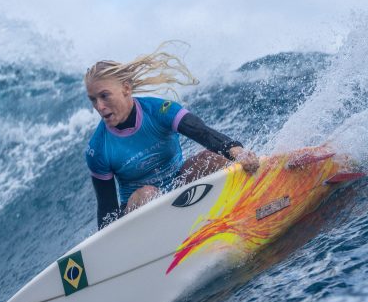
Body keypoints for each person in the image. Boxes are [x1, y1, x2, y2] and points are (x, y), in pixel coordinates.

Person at [84, 46, 260, 230]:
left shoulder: (159, 111)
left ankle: (253, 196)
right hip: (141, 214)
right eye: (93, 100)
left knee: (207, 159)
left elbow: (202, 132)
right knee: (147, 195)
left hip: (181, 189)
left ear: (126, 89)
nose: (100, 106)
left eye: (104, 96)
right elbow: (107, 214)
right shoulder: (98, 149)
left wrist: (238, 152)